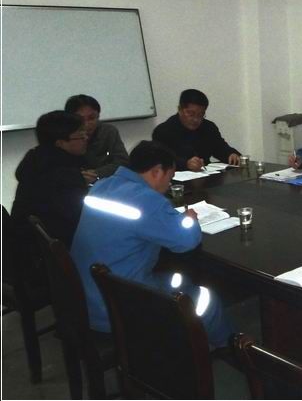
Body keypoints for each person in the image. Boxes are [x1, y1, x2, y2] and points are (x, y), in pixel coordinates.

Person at [71, 141, 234, 347]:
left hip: (84, 297)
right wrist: (189, 220)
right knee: (206, 299)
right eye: (170, 176)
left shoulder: (101, 186)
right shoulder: (145, 200)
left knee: (178, 280)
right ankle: (230, 348)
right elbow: (186, 241)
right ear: (157, 171)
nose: (169, 183)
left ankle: (187, 338)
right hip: (118, 306)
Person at [12, 111, 89, 249]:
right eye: (81, 135)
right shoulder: (62, 173)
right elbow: (81, 218)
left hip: (30, 248)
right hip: (60, 246)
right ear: (60, 143)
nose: (86, 138)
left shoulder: (36, 161)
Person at [152, 89, 241, 171]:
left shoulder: (208, 127)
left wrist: (230, 154)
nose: (195, 119)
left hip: (207, 177)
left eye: (200, 115)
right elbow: (161, 162)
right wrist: (186, 164)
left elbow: (220, 148)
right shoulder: (163, 131)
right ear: (180, 110)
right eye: (191, 114)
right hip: (176, 180)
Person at [65, 94, 129, 183]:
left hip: (106, 182)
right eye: (80, 119)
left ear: (98, 116)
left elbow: (123, 162)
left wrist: (98, 174)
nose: (86, 124)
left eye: (91, 118)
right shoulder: (63, 136)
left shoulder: (108, 131)